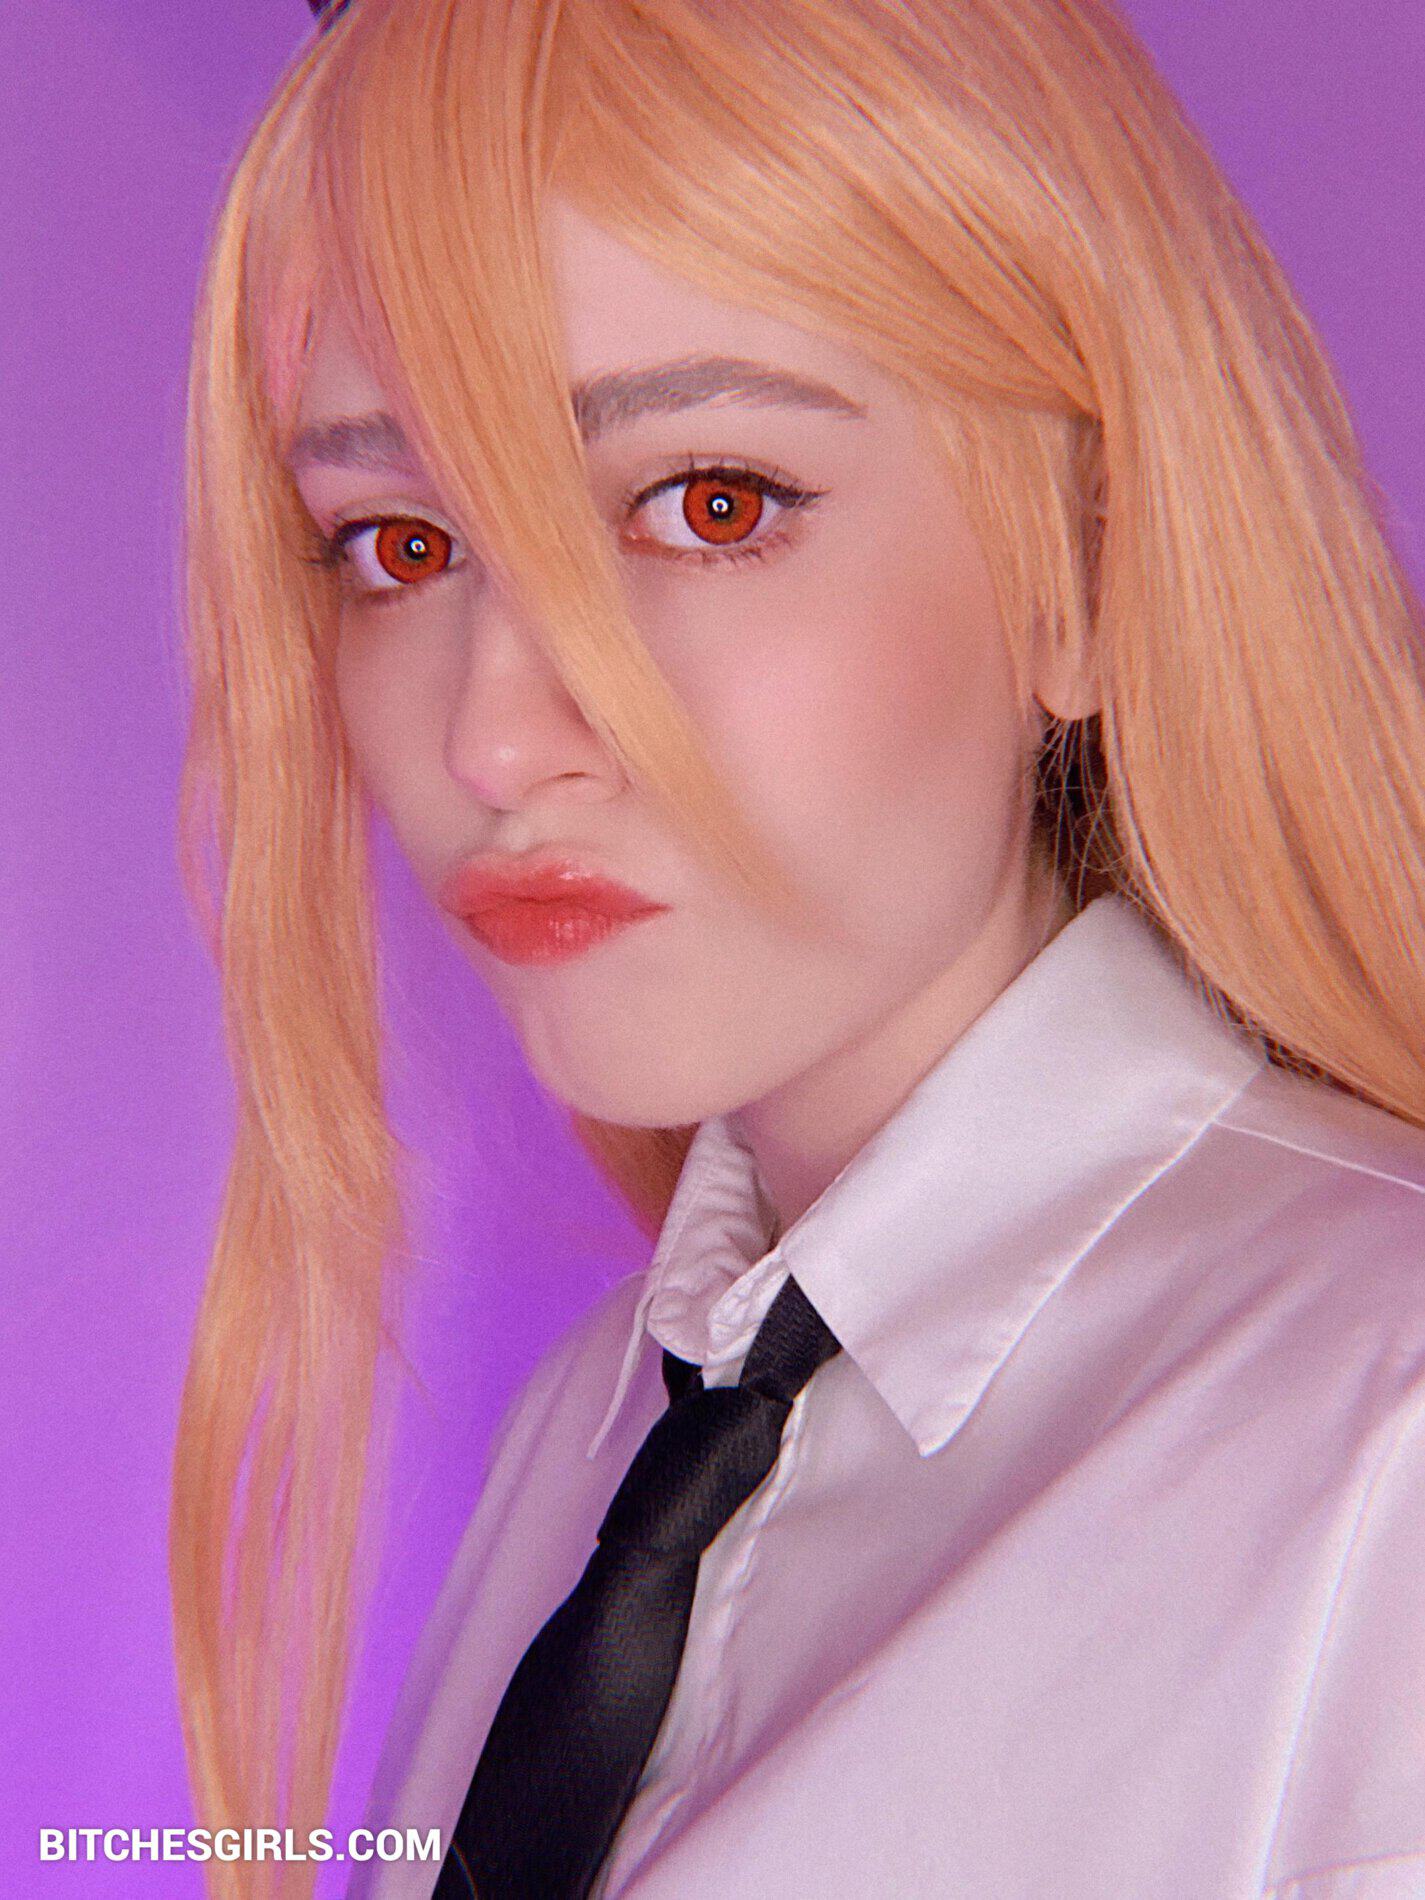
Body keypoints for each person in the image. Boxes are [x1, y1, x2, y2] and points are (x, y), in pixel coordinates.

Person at [169, 0, 1425, 1894]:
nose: (494, 740)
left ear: (1088, 567)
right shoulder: (592, 1426)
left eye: (709, 505)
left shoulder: (1379, 1441)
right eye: (400, 545)